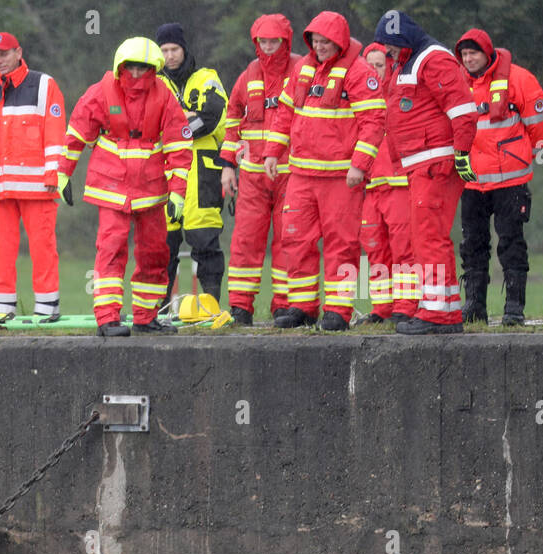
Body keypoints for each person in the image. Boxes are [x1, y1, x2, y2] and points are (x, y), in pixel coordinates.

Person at [58, 37, 193, 337]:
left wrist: (178, 192)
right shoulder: (102, 91)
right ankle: (107, 318)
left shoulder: (164, 96)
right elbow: (77, 132)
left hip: (152, 187)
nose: (135, 73)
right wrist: (62, 173)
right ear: (120, 66)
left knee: (155, 253)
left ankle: (146, 317)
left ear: (153, 68)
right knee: (111, 249)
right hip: (111, 186)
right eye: (131, 67)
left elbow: (179, 146)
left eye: (142, 68)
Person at [263, 11, 385, 331]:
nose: (319, 47)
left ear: (340, 42)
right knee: (296, 240)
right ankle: (303, 306)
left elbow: (373, 123)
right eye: (315, 41)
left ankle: (338, 310)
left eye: (325, 41)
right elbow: (284, 114)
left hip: (341, 177)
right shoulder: (302, 68)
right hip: (302, 174)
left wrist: (359, 165)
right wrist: (273, 152)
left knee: (341, 244)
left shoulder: (359, 73)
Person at [375, 11, 478, 335]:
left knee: (429, 237)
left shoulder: (431, 59)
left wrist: (460, 152)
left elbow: (462, 109)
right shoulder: (408, 61)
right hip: (423, 163)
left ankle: (439, 313)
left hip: (436, 163)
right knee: (426, 237)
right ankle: (441, 309)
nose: (386, 51)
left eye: (389, 45)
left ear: (402, 40)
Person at [0, 32, 66, 323]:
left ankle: (47, 307)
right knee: (2, 250)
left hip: (39, 185)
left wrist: (53, 173)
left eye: (4, 54)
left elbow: (55, 132)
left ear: (19, 52)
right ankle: (2, 307)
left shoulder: (44, 84)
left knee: (43, 247)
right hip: (0, 187)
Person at [455, 28, 543, 326]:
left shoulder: (519, 79)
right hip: (471, 181)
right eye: (464, 54)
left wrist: (525, 157)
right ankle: (474, 307)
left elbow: (538, 126)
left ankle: (513, 309)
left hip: (510, 181)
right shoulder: (457, 83)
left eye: (474, 53)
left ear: (488, 53)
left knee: (511, 244)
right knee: (472, 245)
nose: (469, 59)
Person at [219, 15, 299, 325]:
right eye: (263, 41)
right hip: (252, 174)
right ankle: (240, 307)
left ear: (285, 41)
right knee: (245, 240)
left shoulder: (300, 70)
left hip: (291, 173)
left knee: (289, 241)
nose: (268, 46)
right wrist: (227, 166)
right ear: (256, 42)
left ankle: (286, 306)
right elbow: (232, 119)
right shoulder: (249, 74)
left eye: (273, 41)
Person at [155, 23, 228, 309]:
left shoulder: (207, 78)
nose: (170, 56)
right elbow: (145, 122)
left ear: (184, 49)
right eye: (164, 51)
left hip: (203, 171)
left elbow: (213, 116)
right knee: (161, 246)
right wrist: (187, 120)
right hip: (165, 171)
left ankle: (209, 305)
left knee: (205, 241)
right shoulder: (154, 83)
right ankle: (156, 310)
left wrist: (171, 127)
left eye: (174, 49)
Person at [358, 44, 418, 325]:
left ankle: (407, 307)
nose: (373, 70)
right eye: (368, 65)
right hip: (370, 185)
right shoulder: (356, 98)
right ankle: (382, 308)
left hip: (399, 184)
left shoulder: (401, 96)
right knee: (375, 249)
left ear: (391, 66)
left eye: (379, 65)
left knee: (403, 248)